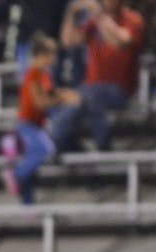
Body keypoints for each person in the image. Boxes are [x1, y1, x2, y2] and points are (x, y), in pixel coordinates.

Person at [52, 0, 144, 152]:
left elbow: (120, 42)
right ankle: (67, 147)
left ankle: (103, 146)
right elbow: (68, 41)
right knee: (68, 99)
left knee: (91, 96)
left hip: (119, 90)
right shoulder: (93, 22)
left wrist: (100, 16)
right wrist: (71, 13)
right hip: (90, 89)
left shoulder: (132, 20)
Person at [4, 32, 79, 204]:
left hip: (36, 125)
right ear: (40, 55)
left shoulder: (44, 75)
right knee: (46, 150)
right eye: (50, 54)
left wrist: (66, 95)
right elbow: (41, 103)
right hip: (28, 125)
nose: (54, 58)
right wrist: (63, 99)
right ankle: (15, 174)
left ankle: (28, 206)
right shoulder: (33, 74)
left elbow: (51, 93)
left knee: (35, 165)